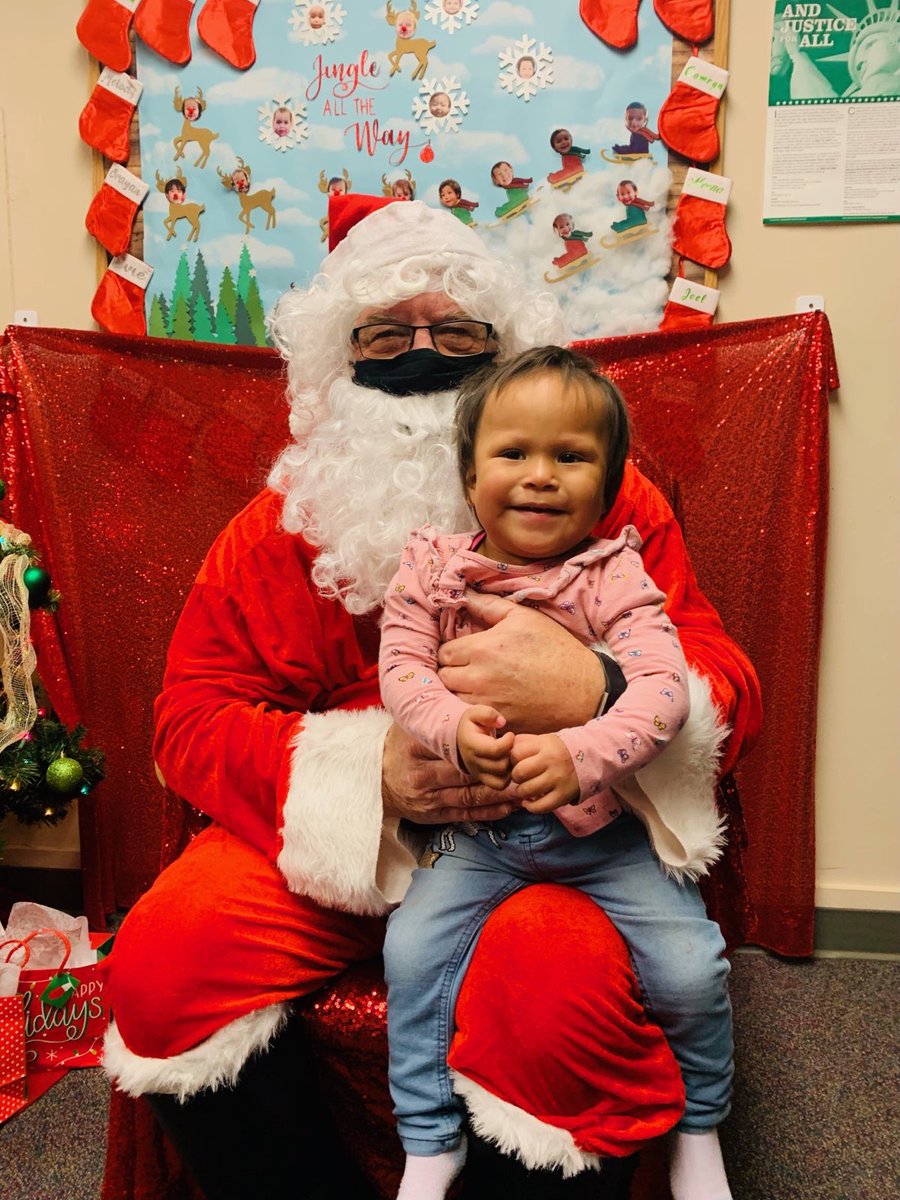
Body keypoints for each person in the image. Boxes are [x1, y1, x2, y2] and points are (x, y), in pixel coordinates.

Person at [101, 196, 761, 1198]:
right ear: (339, 356)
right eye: (387, 335)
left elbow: (727, 684)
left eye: (456, 332)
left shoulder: (607, 501)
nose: (423, 356)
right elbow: (188, 719)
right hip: (343, 849)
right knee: (165, 962)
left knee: (556, 992)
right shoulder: (281, 523)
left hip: (557, 837)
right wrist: (368, 775)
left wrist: (599, 684)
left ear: (507, 351)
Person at [380, 346, 734, 1200]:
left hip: (605, 841)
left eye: (570, 458)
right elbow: (400, 667)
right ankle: (429, 1141)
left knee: (694, 967)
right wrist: (451, 728)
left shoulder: (616, 575)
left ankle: (702, 1126)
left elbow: (664, 694)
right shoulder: (433, 567)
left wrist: (581, 755)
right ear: (470, 478)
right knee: (413, 952)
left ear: (607, 487)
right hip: (479, 836)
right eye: (514, 454)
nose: (540, 477)